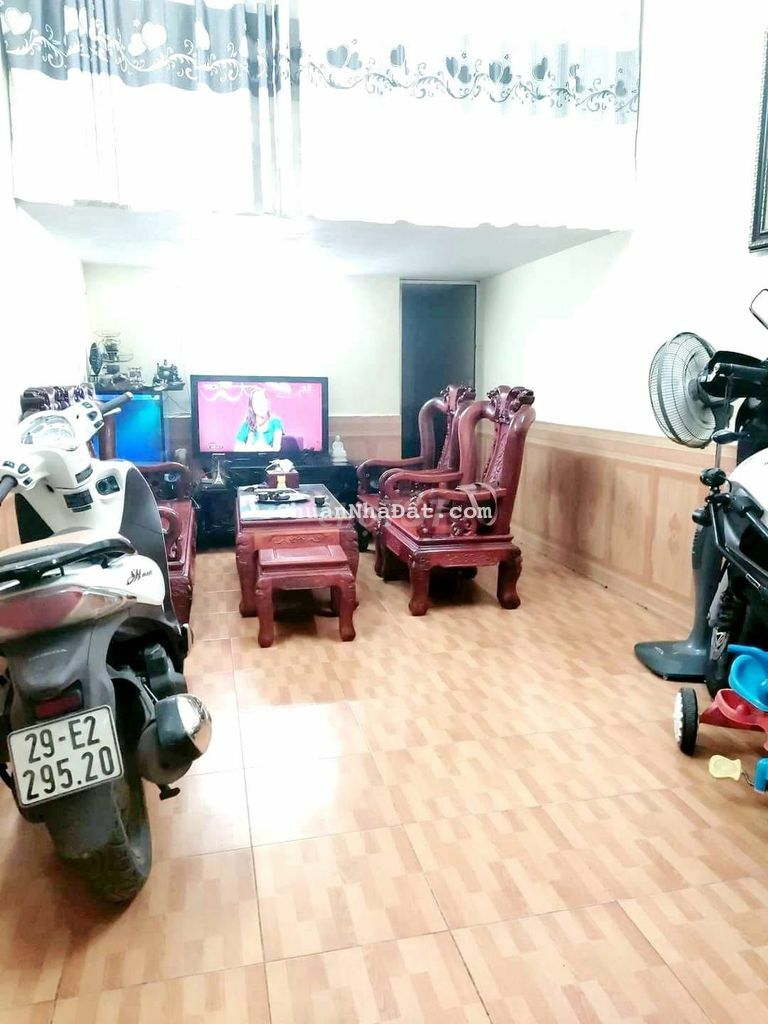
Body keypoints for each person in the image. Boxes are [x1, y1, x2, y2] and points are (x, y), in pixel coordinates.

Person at [234, 387, 284, 452]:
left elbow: (276, 448)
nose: (260, 405)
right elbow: (237, 448)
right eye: (256, 402)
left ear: (267, 402)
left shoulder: (276, 422)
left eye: (262, 400)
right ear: (251, 406)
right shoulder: (246, 425)